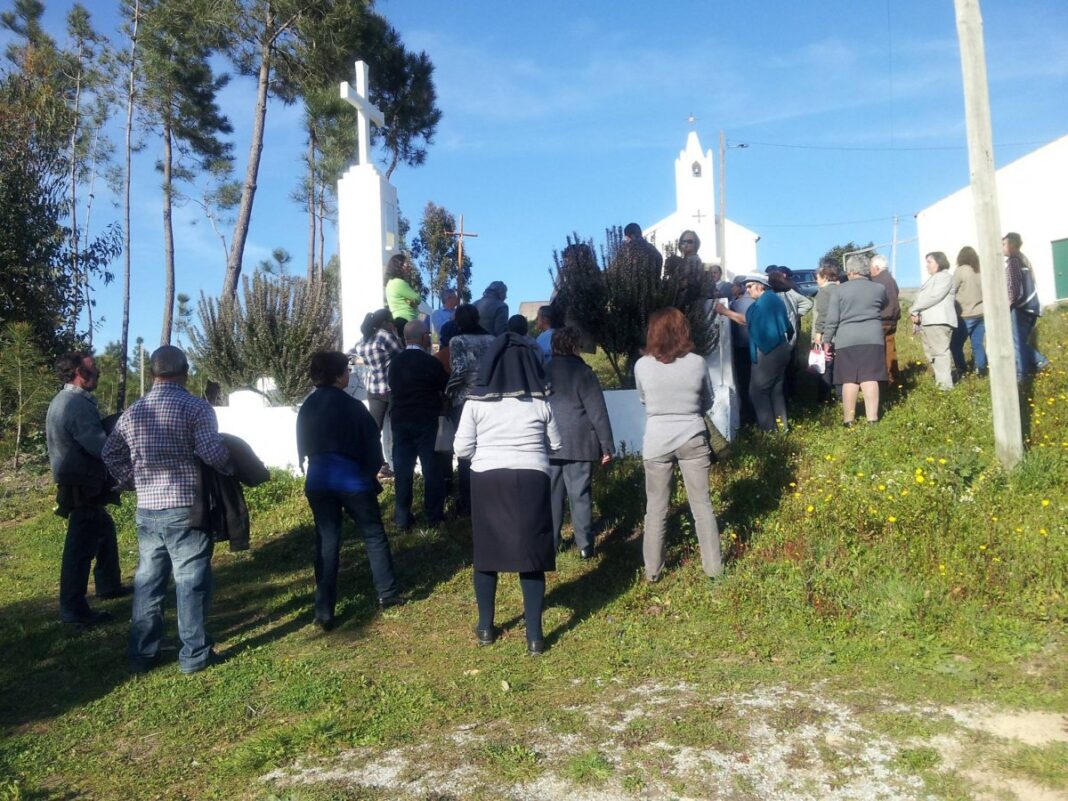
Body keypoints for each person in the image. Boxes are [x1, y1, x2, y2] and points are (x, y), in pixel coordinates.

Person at [102, 346, 231, 674]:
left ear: (154, 373)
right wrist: (231, 465)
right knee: (190, 580)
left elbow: (110, 453)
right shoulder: (196, 407)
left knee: (148, 580)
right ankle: (194, 654)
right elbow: (211, 453)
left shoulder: (133, 411)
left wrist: (132, 481)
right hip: (186, 506)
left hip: (148, 508)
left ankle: (142, 653)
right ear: (185, 372)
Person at [453, 333, 561, 655]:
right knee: (532, 558)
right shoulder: (541, 402)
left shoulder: (475, 404)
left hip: (487, 480)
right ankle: (535, 637)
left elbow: (461, 449)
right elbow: (557, 445)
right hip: (532, 479)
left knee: (486, 555)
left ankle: (486, 627)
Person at [296, 352, 402, 631]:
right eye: (346, 371)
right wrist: (370, 473)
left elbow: (302, 446)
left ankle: (323, 611)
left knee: (327, 542)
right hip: (352, 479)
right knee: (373, 534)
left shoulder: (307, 406)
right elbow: (372, 443)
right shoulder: (353, 406)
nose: (349, 375)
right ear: (337, 375)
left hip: (318, 480)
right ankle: (388, 595)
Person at [635, 308, 723, 583]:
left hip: (657, 440)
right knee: (702, 505)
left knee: (656, 509)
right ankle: (714, 568)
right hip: (692, 436)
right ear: (683, 330)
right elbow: (708, 399)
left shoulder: (642, 365)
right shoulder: (697, 362)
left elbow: (643, 400)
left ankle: (652, 571)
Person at [45, 351, 127, 630]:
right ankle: (74, 609)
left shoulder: (63, 400)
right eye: (93, 369)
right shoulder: (76, 406)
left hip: (76, 480)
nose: (99, 372)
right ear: (79, 373)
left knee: (103, 530)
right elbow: (101, 447)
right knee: (80, 548)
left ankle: (108, 586)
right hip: (83, 484)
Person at [546, 326, 614, 558]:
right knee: (580, 494)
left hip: (548, 443)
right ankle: (585, 545)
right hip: (581, 441)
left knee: (552, 496)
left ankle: (551, 543)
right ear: (575, 346)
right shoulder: (584, 373)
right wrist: (607, 445)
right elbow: (598, 413)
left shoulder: (541, 371)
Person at [387, 320, 448, 529]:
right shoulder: (431, 362)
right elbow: (443, 386)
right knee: (432, 469)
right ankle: (434, 517)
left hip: (400, 420)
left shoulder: (394, 363)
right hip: (426, 420)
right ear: (423, 338)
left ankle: (402, 517)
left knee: (403, 471)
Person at [822, 254, 888, 425]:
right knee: (870, 377)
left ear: (851, 271)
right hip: (873, 337)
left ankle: (848, 420)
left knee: (849, 379)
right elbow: (884, 305)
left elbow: (832, 319)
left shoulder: (839, 290)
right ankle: (872, 419)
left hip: (846, 339)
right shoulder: (879, 288)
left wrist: (827, 341)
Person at [446, 304, 496, 516]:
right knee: (488, 448)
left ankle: (467, 503)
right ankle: (489, 496)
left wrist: (447, 392)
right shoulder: (493, 340)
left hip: (465, 401)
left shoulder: (458, 341)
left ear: (458, 321)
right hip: (491, 399)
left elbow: (460, 369)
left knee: (465, 452)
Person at [353, 309, 403, 477]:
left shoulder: (364, 340)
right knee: (398, 428)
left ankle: (380, 465)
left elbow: (350, 353)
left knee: (374, 430)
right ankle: (399, 465)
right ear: (384, 323)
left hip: (373, 390)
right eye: (391, 321)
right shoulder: (384, 336)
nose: (393, 324)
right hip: (391, 388)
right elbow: (401, 355)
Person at [743, 274, 794, 432]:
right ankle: (782, 428)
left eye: (749, 286)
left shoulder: (765, 301)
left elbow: (750, 321)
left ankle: (770, 431)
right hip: (781, 348)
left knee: (757, 391)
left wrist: (725, 311)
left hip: (769, 350)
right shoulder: (773, 299)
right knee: (775, 390)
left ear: (760, 285)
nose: (747, 290)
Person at [1003, 232, 1049, 379]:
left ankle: (1023, 374)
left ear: (1012, 245)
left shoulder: (1014, 262)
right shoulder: (1022, 259)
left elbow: (1015, 291)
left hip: (1022, 309)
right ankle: (1039, 362)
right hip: (1031, 308)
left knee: (1017, 343)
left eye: (1003, 244)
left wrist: (1007, 305)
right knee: (1019, 342)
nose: (1001, 247)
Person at [911, 252, 958, 391]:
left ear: (939, 262)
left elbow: (933, 296)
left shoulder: (945, 277)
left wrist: (914, 309)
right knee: (932, 354)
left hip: (939, 321)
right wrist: (916, 313)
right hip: (928, 322)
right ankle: (941, 382)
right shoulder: (934, 278)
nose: (927, 265)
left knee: (940, 353)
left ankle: (945, 387)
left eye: (929, 262)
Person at [949, 246, 987, 377]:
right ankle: (981, 370)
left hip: (966, 314)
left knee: (955, 344)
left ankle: (962, 370)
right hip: (982, 313)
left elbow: (951, 290)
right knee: (977, 343)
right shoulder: (980, 270)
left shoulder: (960, 271)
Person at [811, 263, 841, 403]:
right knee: (839, 366)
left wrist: (818, 334)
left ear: (824, 277)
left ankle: (825, 398)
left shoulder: (824, 292)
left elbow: (823, 315)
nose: (816, 280)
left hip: (827, 334)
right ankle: (841, 395)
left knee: (825, 366)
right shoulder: (841, 289)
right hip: (842, 333)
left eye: (817, 277)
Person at [869, 254, 901, 384]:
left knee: (878, 351)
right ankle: (893, 377)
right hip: (893, 319)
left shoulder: (877, 280)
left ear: (876, 267)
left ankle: (881, 379)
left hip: (881, 319)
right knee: (890, 349)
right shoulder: (891, 279)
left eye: (871, 268)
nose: (870, 271)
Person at [729, 277, 755, 425]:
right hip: (754, 347)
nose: (732, 289)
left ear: (740, 287)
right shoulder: (753, 301)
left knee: (744, 382)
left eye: (734, 286)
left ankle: (748, 415)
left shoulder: (738, 303)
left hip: (741, 347)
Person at [384, 254, 422, 339]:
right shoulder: (399, 283)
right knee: (412, 349)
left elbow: (404, 299)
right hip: (408, 322)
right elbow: (418, 299)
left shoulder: (390, 284)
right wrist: (412, 302)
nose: (409, 267)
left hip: (398, 320)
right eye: (406, 264)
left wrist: (408, 301)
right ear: (399, 266)